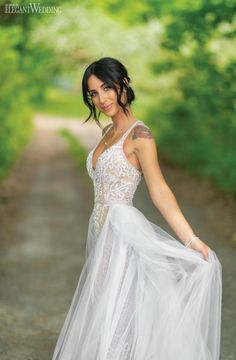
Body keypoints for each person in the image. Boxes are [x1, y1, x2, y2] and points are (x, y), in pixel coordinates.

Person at [51, 57, 222, 360]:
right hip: (99, 231)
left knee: (119, 313)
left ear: (123, 85)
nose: (101, 98)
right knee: (104, 310)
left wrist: (191, 239)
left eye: (107, 88)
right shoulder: (107, 132)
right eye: (93, 93)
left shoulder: (140, 135)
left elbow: (160, 190)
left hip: (123, 232)